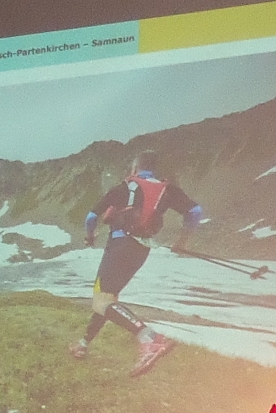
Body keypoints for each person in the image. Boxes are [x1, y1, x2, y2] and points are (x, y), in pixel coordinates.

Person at [69, 150, 202, 377]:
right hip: (141, 250)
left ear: (135, 168)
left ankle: (151, 339)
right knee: (108, 299)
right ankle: (83, 343)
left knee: (102, 301)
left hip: (120, 246)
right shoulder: (166, 189)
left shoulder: (124, 187)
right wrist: (182, 240)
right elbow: (195, 211)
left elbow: (91, 217)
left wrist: (90, 237)